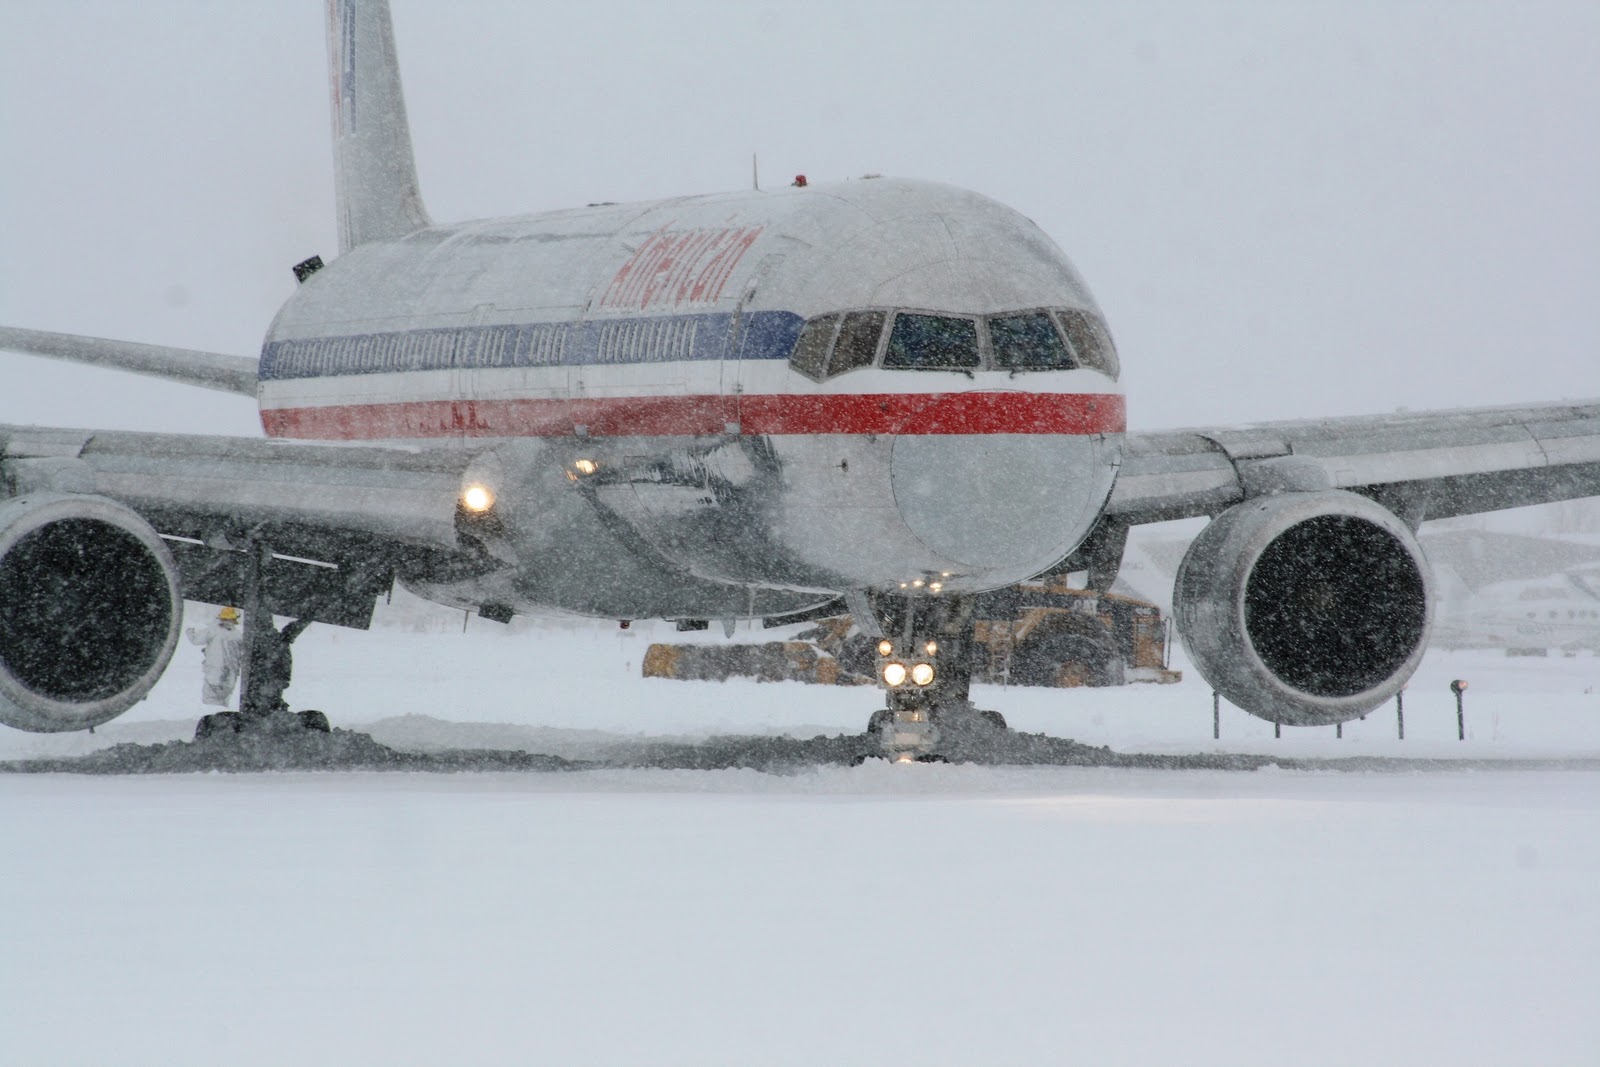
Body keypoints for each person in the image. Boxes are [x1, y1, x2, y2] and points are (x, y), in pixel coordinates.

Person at [187, 606, 244, 707]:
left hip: (215, 672)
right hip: (231, 675)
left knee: (210, 701)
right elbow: (242, 654)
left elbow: (196, 640)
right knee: (223, 702)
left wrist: (190, 632)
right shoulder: (237, 635)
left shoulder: (213, 630)